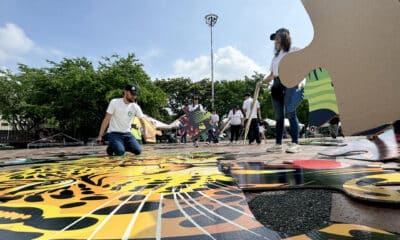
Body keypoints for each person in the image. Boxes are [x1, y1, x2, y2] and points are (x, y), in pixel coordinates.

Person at [259, 28, 302, 153]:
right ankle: (278, 145)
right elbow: (272, 74)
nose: (275, 41)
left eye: (277, 38)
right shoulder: (275, 56)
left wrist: (297, 79)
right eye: (274, 39)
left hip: (290, 81)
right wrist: (261, 82)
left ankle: (295, 143)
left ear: (285, 37)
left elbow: (303, 64)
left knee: (290, 112)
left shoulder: (294, 50)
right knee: (279, 116)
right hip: (276, 83)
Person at [96, 84, 146, 156]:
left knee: (138, 151)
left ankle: (117, 145)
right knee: (120, 152)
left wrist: (145, 132)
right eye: (132, 94)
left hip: (127, 134)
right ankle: (112, 147)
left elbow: (142, 120)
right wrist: (100, 135)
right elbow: (106, 119)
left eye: (135, 95)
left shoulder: (135, 106)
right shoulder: (114, 102)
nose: (134, 97)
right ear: (125, 92)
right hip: (114, 133)